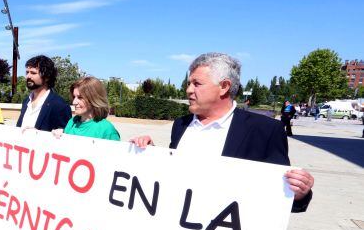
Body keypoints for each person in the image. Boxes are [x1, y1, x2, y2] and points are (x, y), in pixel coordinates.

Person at [129, 52, 314, 216]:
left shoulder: (265, 130)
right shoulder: (180, 125)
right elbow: (171, 176)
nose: (188, 90)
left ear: (224, 86)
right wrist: (151, 155)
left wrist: (299, 193)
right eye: (188, 83)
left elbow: (280, 194)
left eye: (197, 84)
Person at [53, 76, 120, 141]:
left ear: (94, 98)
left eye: (80, 97)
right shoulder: (72, 122)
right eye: (74, 97)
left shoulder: (107, 130)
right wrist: (59, 137)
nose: (74, 102)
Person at [16, 55, 72, 131]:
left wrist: (38, 135)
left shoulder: (59, 105)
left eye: (33, 73)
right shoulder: (26, 101)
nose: (28, 76)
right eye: (27, 72)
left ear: (46, 77)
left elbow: (66, 136)